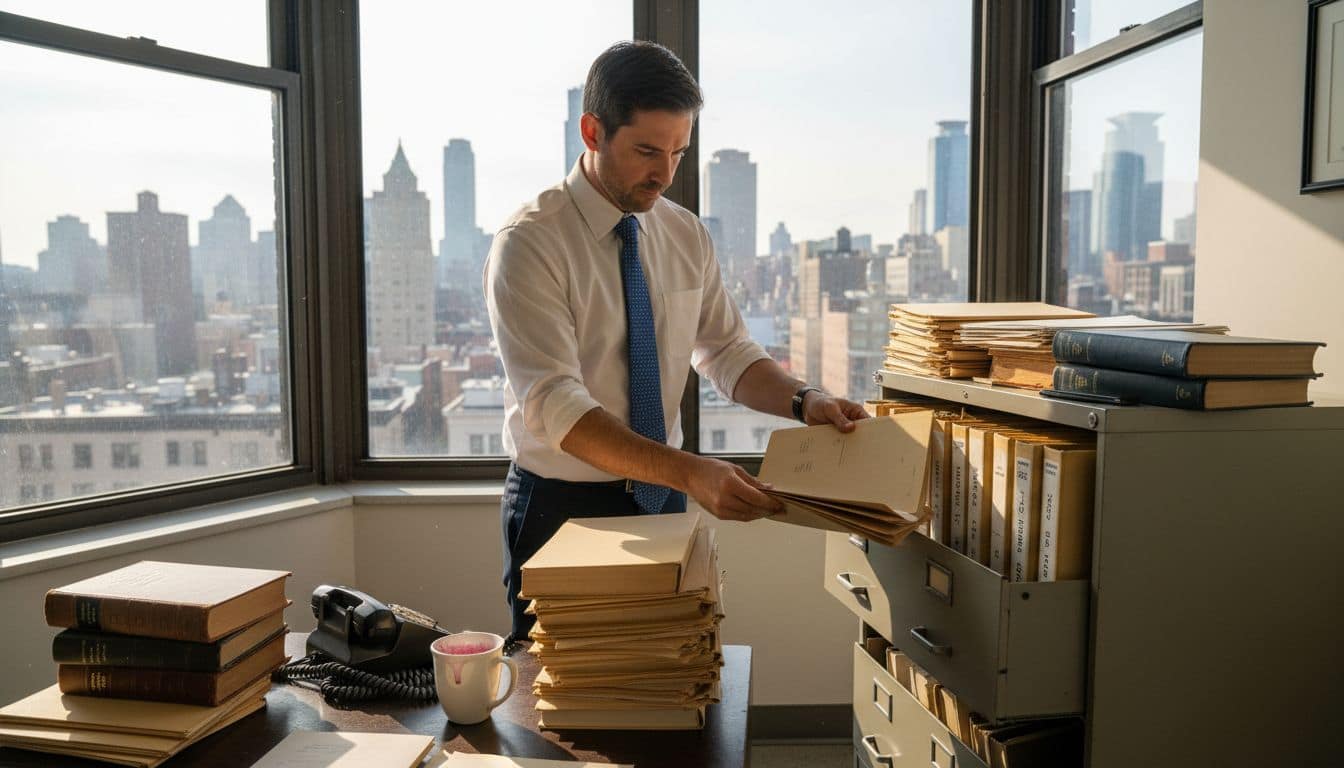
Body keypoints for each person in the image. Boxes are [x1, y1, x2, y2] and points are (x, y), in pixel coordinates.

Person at [485, 40, 869, 643]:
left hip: (663, 496)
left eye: (678, 152)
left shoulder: (684, 233)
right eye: (645, 150)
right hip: (561, 507)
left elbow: (727, 351)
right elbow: (558, 407)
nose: (663, 172)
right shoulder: (530, 242)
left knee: (665, 682)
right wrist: (690, 473)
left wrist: (805, 400)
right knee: (563, 708)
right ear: (592, 131)